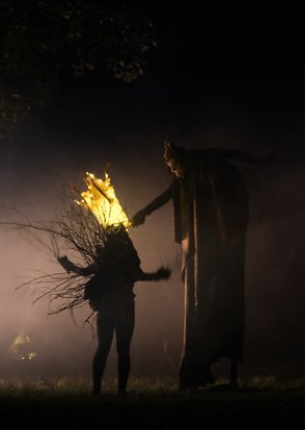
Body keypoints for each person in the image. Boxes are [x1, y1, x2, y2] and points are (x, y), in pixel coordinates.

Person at [132, 140, 259, 389]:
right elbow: (164, 197)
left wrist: (258, 160)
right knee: (198, 302)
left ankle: (208, 361)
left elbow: (229, 151)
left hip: (214, 243)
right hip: (195, 246)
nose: (170, 169)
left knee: (219, 299)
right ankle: (199, 365)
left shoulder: (200, 164)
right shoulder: (183, 179)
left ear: (177, 159)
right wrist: (143, 213)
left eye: (170, 163)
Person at [59, 226, 170, 396]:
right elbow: (141, 275)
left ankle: (100, 391)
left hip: (109, 309)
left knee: (106, 348)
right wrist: (157, 276)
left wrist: (67, 265)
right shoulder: (125, 260)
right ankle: (119, 391)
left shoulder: (107, 261)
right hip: (122, 309)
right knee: (121, 349)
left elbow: (84, 272)